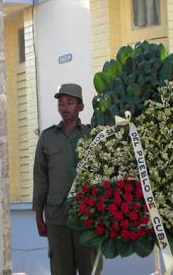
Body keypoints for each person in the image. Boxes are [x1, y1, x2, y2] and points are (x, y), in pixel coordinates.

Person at [33, 83, 100, 275]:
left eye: (70, 102)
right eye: (61, 103)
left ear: (80, 106)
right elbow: (40, 178)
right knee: (61, 270)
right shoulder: (47, 138)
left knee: (90, 269)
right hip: (56, 218)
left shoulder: (92, 135)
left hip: (87, 217)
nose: (64, 107)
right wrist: (38, 215)